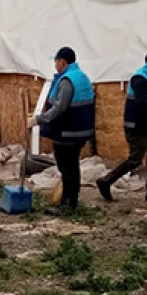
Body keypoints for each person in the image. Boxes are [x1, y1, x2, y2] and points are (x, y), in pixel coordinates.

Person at [96, 48, 147, 202]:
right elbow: (141, 103)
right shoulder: (140, 78)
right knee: (135, 159)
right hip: (138, 126)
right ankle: (105, 181)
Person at [27, 47, 95, 210]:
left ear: (62, 62)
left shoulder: (66, 81)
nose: (55, 65)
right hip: (81, 130)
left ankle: (68, 202)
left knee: (66, 167)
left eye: (56, 62)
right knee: (73, 165)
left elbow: (59, 108)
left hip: (67, 131)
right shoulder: (82, 77)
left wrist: (37, 120)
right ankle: (72, 200)